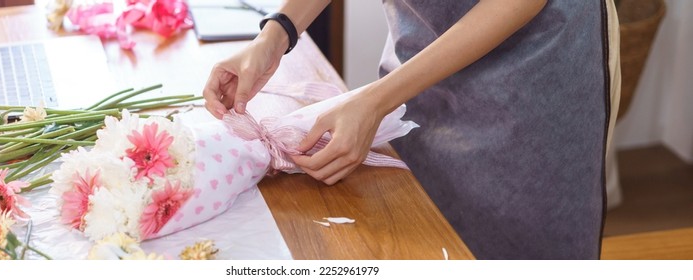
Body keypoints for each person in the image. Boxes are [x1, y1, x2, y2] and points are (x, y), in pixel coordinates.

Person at [202, 0, 621, 259]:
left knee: (523, 242)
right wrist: (277, 34)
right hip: (424, 52)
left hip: (534, 65)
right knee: (426, 226)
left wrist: (377, 100)